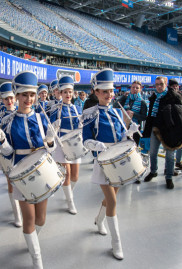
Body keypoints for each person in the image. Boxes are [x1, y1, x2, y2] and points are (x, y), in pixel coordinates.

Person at [0, 71, 56, 269]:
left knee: (41, 219)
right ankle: (37, 259)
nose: (29, 99)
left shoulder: (41, 117)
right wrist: (1, 141)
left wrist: (51, 141)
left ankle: (32, 241)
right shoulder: (7, 122)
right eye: (24, 95)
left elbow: (50, 148)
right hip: (21, 174)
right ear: (17, 95)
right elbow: (9, 152)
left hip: (42, 171)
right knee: (28, 219)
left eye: (32, 95)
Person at [82, 69, 137, 260]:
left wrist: (129, 133)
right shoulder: (90, 114)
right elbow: (85, 140)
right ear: (96, 92)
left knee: (110, 198)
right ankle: (116, 243)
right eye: (104, 91)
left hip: (119, 162)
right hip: (104, 161)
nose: (109, 95)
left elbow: (121, 137)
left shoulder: (115, 111)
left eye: (111, 91)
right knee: (113, 201)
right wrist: (95, 145)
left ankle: (99, 220)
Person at [142, 76, 182, 189]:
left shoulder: (174, 96)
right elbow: (150, 116)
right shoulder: (154, 97)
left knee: (170, 156)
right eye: (157, 84)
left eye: (161, 84)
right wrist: (147, 132)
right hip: (155, 129)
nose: (159, 87)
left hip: (170, 131)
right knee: (153, 153)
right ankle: (153, 171)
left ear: (166, 85)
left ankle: (169, 177)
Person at [0, 82, 21, 227]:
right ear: (2, 100)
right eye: (6, 99)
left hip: (20, 153)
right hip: (6, 155)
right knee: (11, 183)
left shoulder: (22, 113)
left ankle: (22, 207)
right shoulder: (0, 117)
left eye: (11, 98)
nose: (9, 101)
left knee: (21, 182)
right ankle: (17, 214)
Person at [50, 76, 81, 215]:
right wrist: (53, 128)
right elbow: (49, 130)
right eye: (65, 92)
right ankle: (70, 202)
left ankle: (68, 193)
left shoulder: (77, 108)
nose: (68, 95)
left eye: (70, 92)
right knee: (67, 175)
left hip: (74, 143)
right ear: (60, 93)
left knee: (75, 176)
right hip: (61, 144)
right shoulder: (55, 109)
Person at [113, 80, 147, 146]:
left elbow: (143, 117)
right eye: (133, 87)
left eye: (137, 88)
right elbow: (115, 105)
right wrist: (123, 96)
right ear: (130, 88)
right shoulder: (126, 99)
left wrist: (133, 114)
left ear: (140, 89)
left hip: (135, 130)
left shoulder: (142, 102)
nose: (134, 89)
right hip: (124, 128)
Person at [168, 79, 182, 170]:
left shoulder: (180, 95)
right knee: (170, 149)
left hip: (180, 124)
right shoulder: (168, 95)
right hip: (171, 125)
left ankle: (178, 162)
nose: (175, 87)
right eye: (173, 86)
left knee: (181, 145)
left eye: (176, 86)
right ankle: (168, 168)